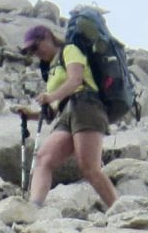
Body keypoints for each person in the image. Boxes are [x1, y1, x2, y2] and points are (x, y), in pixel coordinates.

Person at [16, 22, 118, 209]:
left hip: (86, 106)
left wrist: (51, 96)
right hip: (66, 113)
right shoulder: (51, 67)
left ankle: (118, 208)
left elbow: (75, 80)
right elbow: (53, 110)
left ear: (47, 37)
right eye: (31, 52)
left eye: (35, 47)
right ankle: (34, 207)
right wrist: (31, 115)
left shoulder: (70, 50)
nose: (35, 53)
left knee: (89, 168)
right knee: (43, 159)